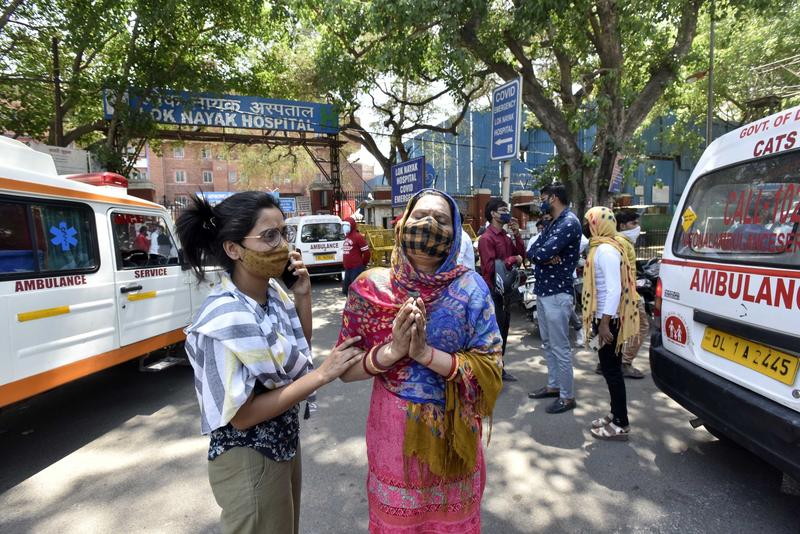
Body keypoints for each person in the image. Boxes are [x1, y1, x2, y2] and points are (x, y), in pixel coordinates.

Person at [176, 192, 364, 534]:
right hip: (249, 459)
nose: (284, 246)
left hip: (283, 445)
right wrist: (322, 375)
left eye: (284, 233)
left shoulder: (272, 294)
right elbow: (243, 416)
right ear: (233, 249)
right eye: (269, 236)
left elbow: (296, 350)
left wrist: (303, 294)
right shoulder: (225, 318)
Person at [338, 189, 503, 533]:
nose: (429, 224)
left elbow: (491, 367)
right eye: (420, 216)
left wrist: (426, 355)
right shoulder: (370, 289)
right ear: (401, 225)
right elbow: (345, 369)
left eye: (441, 219)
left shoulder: (472, 289)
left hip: (453, 440)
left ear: (455, 233)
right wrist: (392, 351)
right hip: (393, 439)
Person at [581, 206, 639, 440]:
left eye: (589, 222)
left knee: (612, 371)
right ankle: (615, 413)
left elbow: (614, 290)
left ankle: (620, 423)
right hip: (605, 316)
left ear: (598, 224)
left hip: (609, 319)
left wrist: (604, 324)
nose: (586, 226)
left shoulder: (605, 250)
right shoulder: (600, 247)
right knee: (608, 369)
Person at [526, 183, 582, 414]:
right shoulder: (552, 223)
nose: (542, 203)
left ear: (554, 198)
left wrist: (545, 256)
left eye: (543, 198)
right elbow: (532, 252)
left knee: (560, 347)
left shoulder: (569, 223)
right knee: (548, 344)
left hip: (558, 293)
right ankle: (554, 386)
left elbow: (542, 253)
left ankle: (567, 397)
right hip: (544, 291)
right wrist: (543, 257)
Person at [594, 209, 647, 379]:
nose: (637, 227)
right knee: (640, 327)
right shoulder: (621, 242)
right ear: (622, 226)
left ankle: (606, 362)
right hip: (627, 296)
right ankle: (624, 362)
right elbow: (618, 276)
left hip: (623, 295)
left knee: (617, 330)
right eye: (633, 223)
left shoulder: (618, 242)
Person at [477, 198, 526, 382]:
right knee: (494, 332)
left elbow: (522, 254)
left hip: (506, 291)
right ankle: (490, 370)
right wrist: (513, 260)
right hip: (493, 292)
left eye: (507, 210)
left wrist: (517, 235)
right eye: (503, 210)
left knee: (504, 329)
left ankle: (499, 368)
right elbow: (490, 268)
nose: (507, 213)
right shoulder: (486, 238)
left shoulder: (505, 236)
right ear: (493, 214)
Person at [342, 216, 371, 295]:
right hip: (348, 269)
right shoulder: (347, 236)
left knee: (356, 291)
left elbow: (367, 252)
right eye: (343, 225)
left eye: (346, 225)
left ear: (351, 225)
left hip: (356, 268)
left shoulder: (358, 237)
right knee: (346, 291)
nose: (344, 227)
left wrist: (363, 264)